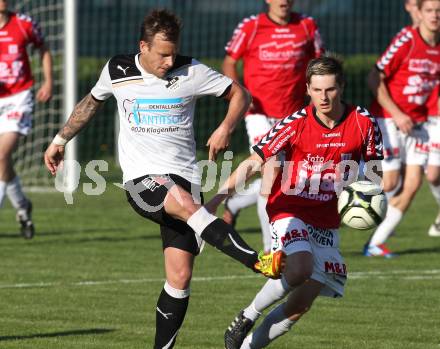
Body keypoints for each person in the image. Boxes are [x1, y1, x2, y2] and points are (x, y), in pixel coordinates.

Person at [44, 9, 283, 349]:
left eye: (173, 52)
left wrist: (225, 127)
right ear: (143, 45)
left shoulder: (192, 70)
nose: (169, 60)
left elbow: (240, 94)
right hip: (142, 180)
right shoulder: (118, 69)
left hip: (183, 177)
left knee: (180, 277)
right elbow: (90, 103)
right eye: (162, 54)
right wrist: (59, 141)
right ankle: (258, 261)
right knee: (185, 203)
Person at [206, 55, 384, 349]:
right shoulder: (295, 123)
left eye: (330, 89)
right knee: (299, 269)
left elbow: (375, 173)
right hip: (289, 208)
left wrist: (365, 200)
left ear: (342, 86)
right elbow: (253, 163)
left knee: (300, 304)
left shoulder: (364, 123)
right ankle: (247, 315)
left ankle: (247, 347)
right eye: (317, 90)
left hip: (327, 220)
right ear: (307, 89)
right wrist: (217, 200)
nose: (323, 97)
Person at [222, 0, 324, 252]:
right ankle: (272, 250)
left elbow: (319, 66)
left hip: (292, 116)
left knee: (288, 179)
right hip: (258, 114)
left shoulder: (307, 26)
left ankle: (233, 205)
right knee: (271, 172)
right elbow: (229, 62)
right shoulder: (251, 26)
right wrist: (240, 96)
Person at [364, 0, 440, 256]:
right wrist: (397, 114)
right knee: (391, 181)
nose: (435, 15)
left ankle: (375, 244)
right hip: (389, 119)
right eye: (430, 10)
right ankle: (340, 190)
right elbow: (374, 77)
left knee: (413, 184)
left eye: (439, 11)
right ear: (419, 12)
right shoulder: (407, 39)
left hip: (417, 126)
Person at [0, 0, 53, 239]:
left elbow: (43, 48)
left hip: (19, 98)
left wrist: (48, 81)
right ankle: (22, 205)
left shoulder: (24, 24)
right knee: (3, 161)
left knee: (1, 154)